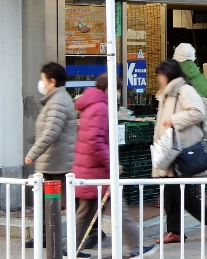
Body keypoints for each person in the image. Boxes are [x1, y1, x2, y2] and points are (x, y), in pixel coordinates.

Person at [71, 74, 157, 258]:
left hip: (89, 168)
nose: (118, 94)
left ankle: (70, 249)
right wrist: (112, 163)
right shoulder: (101, 108)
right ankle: (136, 246)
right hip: (98, 171)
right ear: (108, 89)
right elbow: (96, 141)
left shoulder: (90, 104)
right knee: (118, 209)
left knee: (85, 214)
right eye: (117, 90)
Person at [153, 60, 207, 244]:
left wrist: (174, 119)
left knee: (178, 192)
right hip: (169, 150)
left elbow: (197, 112)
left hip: (181, 150)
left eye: (161, 74)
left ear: (169, 74)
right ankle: (174, 231)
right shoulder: (167, 93)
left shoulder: (183, 90)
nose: (159, 78)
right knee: (171, 191)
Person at [24, 62, 77, 249]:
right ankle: (45, 238)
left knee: (66, 204)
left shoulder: (59, 101)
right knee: (46, 205)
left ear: (52, 81)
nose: (41, 83)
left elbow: (50, 132)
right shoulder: (54, 100)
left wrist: (33, 154)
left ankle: (83, 236)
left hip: (58, 162)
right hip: (51, 161)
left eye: (42, 79)